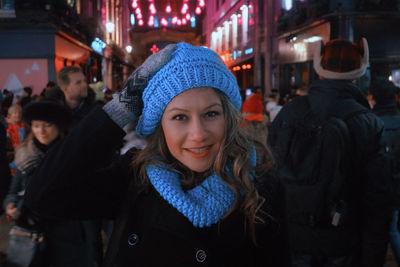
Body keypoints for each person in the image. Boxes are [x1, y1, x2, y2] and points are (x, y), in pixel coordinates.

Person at [25, 42, 290, 266]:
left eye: (211, 114)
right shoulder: (134, 177)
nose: (198, 134)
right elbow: (44, 195)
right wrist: (120, 109)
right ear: (159, 125)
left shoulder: (260, 185)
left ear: (228, 118)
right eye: (179, 117)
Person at [269, 38, 393, 266]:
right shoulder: (368, 123)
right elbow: (378, 201)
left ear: (319, 65)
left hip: (291, 241)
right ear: (360, 70)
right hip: (343, 244)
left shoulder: (289, 112)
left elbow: (269, 178)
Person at [3, 100, 72, 267]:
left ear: (57, 126)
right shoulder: (24, 154)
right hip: (30, 232)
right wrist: (10, 205)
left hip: (66, 234)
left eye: (47, 125)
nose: (41, 131)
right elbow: (14, 190)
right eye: (36, 126)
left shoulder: (70, 154)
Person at [368, 76, 400, 265]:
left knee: (385, 231)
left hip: (378, 188)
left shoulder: (370, 123)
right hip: (397, 184)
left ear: (374, 98)